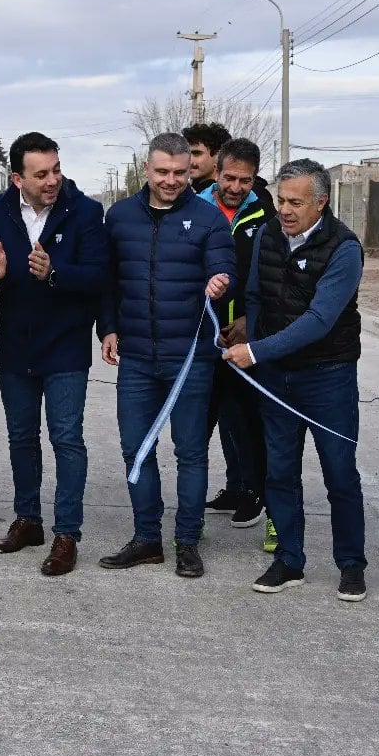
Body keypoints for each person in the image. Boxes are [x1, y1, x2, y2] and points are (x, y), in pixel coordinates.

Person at [223, 158, 368, 603]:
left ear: (320, 203)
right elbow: (253, 294)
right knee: (280, 473)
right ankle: (290, 559)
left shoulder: (344, 248)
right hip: (276, 379)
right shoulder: (269, 234)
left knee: (340, 475)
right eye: (281, 200)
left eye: (295, 202)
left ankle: (351, 565)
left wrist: (255, 351)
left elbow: (321, 319)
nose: (284, 210)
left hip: (328, 378)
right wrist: (252, 335)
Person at [97, 132, 234, 579]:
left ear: (190, 171)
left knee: (191, 452)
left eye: (180, 172)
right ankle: (146, 538)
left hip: (191, 358)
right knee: (136, 448)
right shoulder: (118, 217)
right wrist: (110, 327)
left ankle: (188, 542)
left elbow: (224, 265)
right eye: (162, 172)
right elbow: (109, 282)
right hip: (136, 356)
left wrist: (219, 281)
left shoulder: (210, 218)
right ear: (147, 170)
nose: (171, 180)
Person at [0, 131, 106, 576]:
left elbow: (97, 277)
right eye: (41, 173)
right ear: (17, 178)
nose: (52, 180)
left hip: (66, 346)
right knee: (21, 438)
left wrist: (55, 273)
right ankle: (28, 520)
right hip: (17, 346)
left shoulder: (85, 211)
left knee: (67, 440)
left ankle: (67, 533)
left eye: (56, 169)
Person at [198, 138, 271, 533]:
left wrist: (249, 319)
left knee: (245, 420)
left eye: (246, 180)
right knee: (202, 422)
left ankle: (252, 492)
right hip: (200, 336)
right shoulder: (195, 206)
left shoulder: (266, 212)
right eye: (230, 177)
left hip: (244, 337)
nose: (237, 187)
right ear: (217, 171)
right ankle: (222, 490)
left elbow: (273, 274)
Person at [182, 121, 232, 192]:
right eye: (187, 154)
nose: (189, 161)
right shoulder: (186, 192)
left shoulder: (227, 196)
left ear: (218, 156)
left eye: (196, 153)